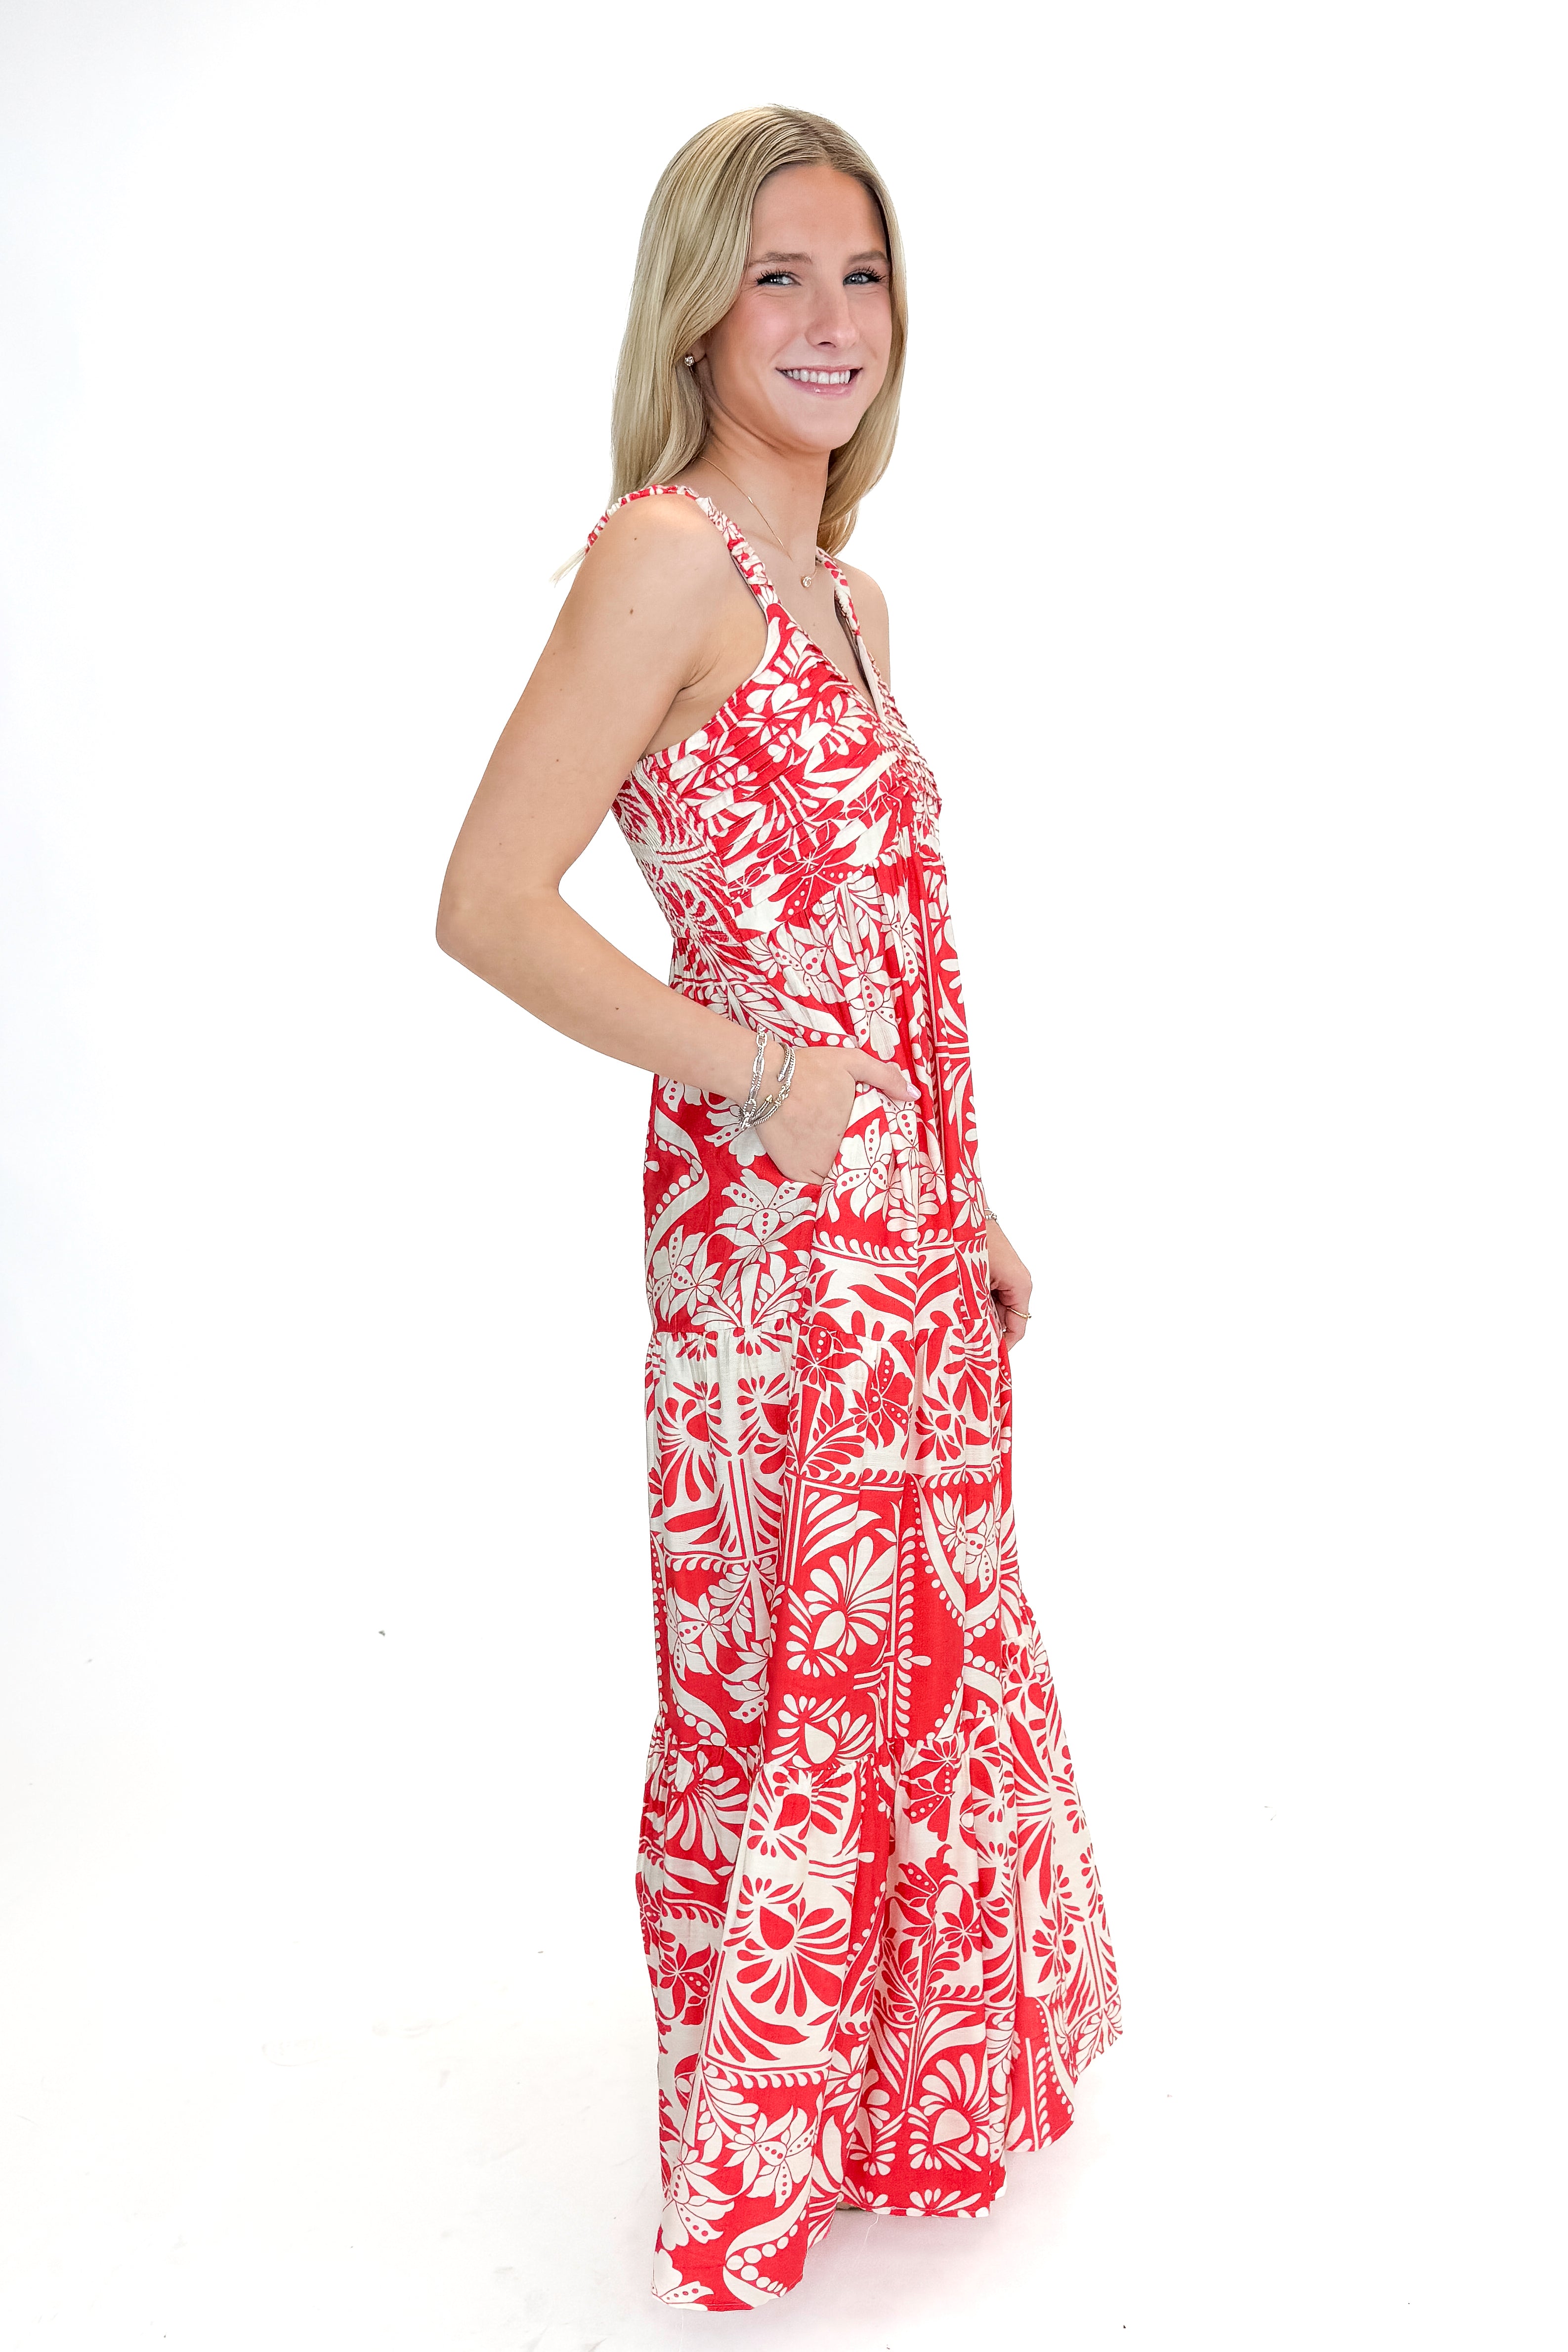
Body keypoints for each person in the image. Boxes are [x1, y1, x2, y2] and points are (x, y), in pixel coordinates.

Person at [436, 103, 1121, 2313]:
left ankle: (878, 2113)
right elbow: (485, 903)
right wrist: (758, 1077)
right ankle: (743, 2163)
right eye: (777, 279)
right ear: (697, 310)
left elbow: (892, 938)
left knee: (915, 1669)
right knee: (780, 1684)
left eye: (859, 276)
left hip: (905, 1235)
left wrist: (965, 1179)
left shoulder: (850, 591)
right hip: (763, 1242)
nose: (827, 321)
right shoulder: (661, 560)